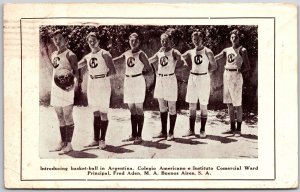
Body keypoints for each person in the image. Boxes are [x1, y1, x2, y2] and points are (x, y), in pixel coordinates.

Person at [78, 32, 116, 149]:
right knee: (95, 111)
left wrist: (102, 76)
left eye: (94, 40)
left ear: (98, 40)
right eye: (90, 41)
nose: (92, 42)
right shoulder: (88, 56)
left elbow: (113, 71)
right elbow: (77, 65)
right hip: (91, 83)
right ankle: (95, 139)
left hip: (103, 83)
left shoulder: (105, 53)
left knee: (103, 112)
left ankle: (102, 140)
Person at [113, 33, 153, 144]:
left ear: (139, 42)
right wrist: (105, 59)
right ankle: (133, 134)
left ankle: (139, 136)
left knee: (139, 108)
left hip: (138, 81)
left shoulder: (141, 54)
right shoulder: (126, 53)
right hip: (128, 81)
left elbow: (149, 68)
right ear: (129, 41)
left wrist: (140, 73)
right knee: (131, 109)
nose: (133, 43)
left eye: (135, 41)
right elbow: (116, 60)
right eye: (131, 41)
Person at [149, 32, 186, 141]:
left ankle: (171, 132)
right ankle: (163, 131)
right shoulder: (160, 52)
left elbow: (183, 63)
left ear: (170, 41)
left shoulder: (174, 52)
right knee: (161, 106)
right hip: (160, 79)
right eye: (162, 40)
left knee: (172, 107)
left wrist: (174, 70)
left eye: (166, 40)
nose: (164, 42)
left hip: (170, 79)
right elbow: (149, 60)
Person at [181, 30, 217, 138]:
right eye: (194, 39)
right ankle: (191, 130)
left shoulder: (207, 51)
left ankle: (202, 130)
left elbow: (214, 66)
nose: (196, 41)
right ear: (192, 40)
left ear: (202, 39)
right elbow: (178, 56)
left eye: (198, 39)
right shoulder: (190, 52)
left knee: (203, 105)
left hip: (203, 79)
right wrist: (184, 63)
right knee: (191, 104)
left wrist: (204, 72)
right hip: (192, 78)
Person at [215, 29, 250, 136]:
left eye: (236, 37)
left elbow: (248, 66)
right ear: (230, 38)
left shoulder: (242, 50)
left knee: (237, 103)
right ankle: (231, 128)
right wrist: (208, 59)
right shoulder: (227, 50)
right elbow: (216, 57)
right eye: (232, 37)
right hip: (227, 75)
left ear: (239, 38)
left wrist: (240, 70)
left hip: (236, 76)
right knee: (229, 103)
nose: (234, 39)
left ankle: (238, 130)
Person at [48, 29, 78, 155]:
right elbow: (56, 72)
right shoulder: (53, 54)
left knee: (67, 116)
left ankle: (69, 144)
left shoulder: (70, 55)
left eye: (60, 38)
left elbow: (76, 74)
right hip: (55, 89)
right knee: (59, 116)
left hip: (67, 89)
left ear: (66, 39)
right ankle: (62, 142)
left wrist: (72, 87)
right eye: (55, 39)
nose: (57, 41)